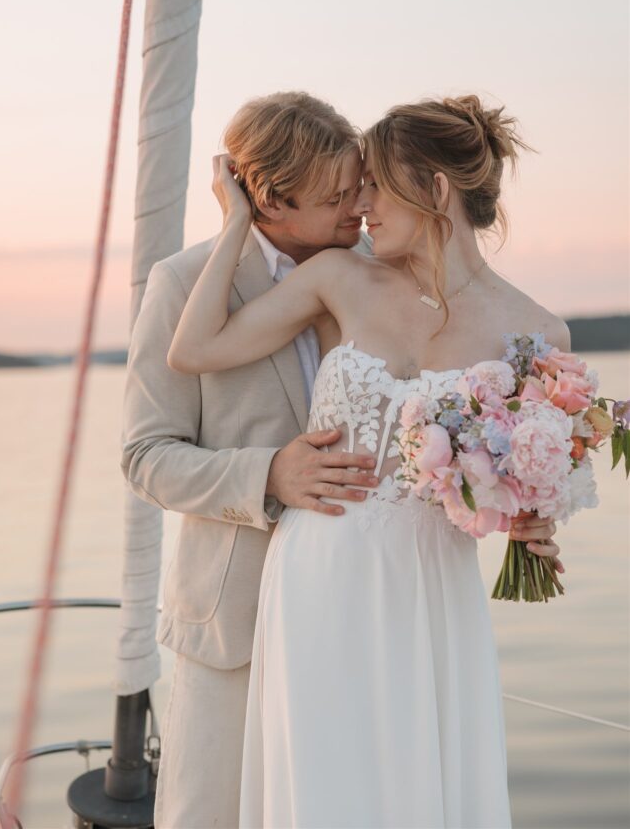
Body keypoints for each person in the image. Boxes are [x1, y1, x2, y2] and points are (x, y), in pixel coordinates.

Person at [167, 94, 567, 829]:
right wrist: (233, 222)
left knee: (418, 779)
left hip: (431, 582)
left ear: (436, 191)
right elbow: (193, 352)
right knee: (326, 782)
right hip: (319, 570)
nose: (361, 206)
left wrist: (530, 524)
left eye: (374, 185)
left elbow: (524, 480)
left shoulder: (536, 332)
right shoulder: (338, 280)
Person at [121, 91, 392, 829]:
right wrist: (266, 474)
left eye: (358, 186)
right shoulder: (182, 284)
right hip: (234, 621)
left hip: (357, 612)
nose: (358, 207)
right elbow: (147, 457)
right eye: (338, 195)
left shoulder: (383, 273)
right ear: (270, 197)